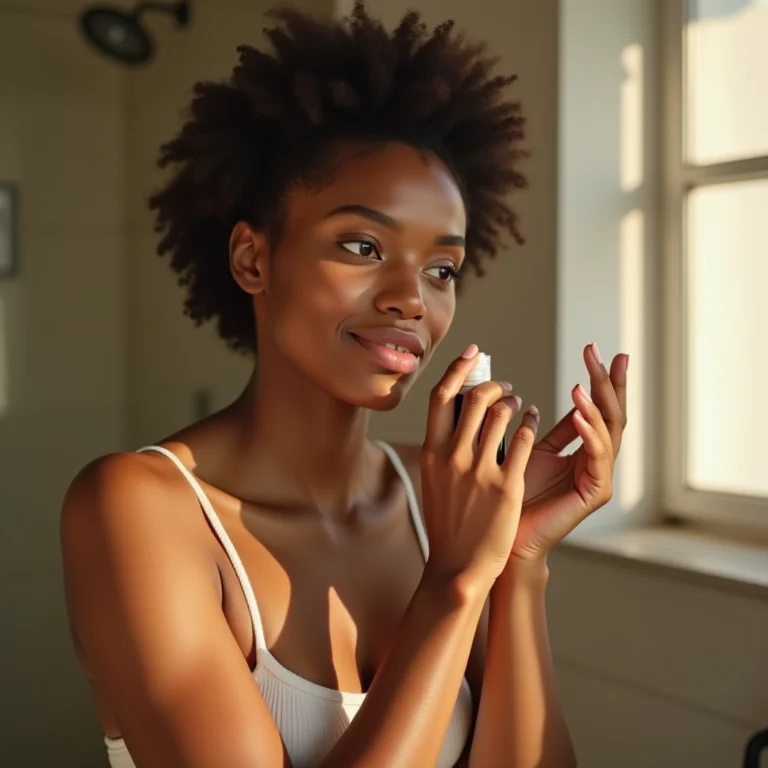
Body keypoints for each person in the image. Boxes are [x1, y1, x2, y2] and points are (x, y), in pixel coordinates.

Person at [61, 3, 628, 767]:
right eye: (363, 245)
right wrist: (456, 584)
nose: (411, 299)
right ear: (253, 260)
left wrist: (516, 565)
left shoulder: (444, 499)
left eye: (441, 270)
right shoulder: (138, 509)